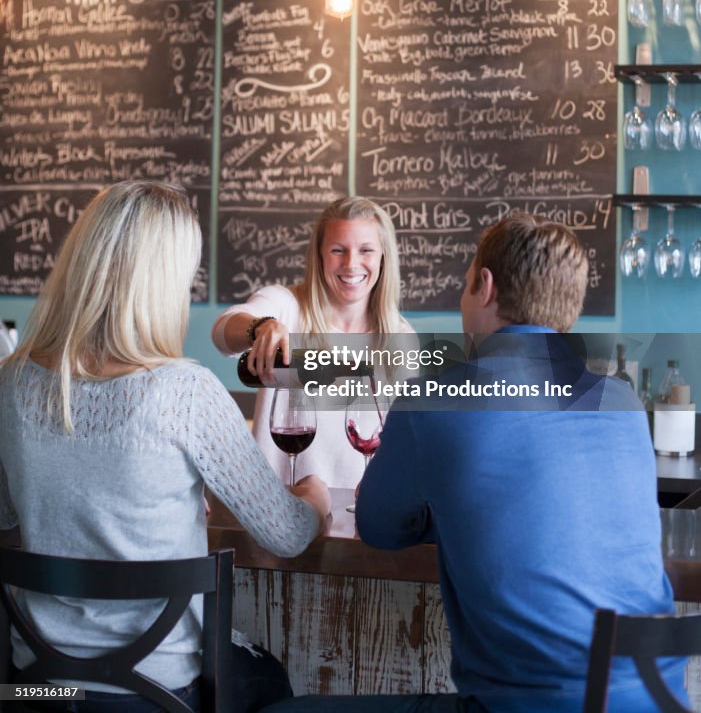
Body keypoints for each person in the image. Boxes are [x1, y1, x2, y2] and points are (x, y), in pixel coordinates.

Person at [263, 213, 688, 713]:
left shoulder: (439, 396)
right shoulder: (622, 403)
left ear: (484, 287)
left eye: (465, 283)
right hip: (660, 702)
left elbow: (379, 528)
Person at [0, 181, 331, 713]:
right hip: (157, 693)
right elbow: (287, 535)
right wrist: (316, 500)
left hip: (35, 687)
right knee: (269, 681)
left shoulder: (12, 381)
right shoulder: (184, 391)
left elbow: (5, 513)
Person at [212, 196, 415, 488]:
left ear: (384, 256)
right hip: (277, 516)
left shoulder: (402, 338)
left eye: (366, 250)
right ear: (319, 255)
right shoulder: (286, 306)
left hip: (359, 519)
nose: (351, 263)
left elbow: (405, 443)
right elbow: (221, 333)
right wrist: (259, 327)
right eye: (337, 250)